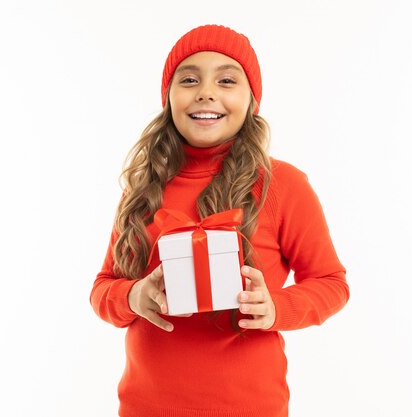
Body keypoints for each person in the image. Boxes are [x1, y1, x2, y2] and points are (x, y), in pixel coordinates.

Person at [89, 24, 350, 417]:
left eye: (226, 80)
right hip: (146, 407)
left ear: (251, 101)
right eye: (189, 79)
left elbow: (332, 284)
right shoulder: (143, 189)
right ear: (169, 98)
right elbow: (102, 289)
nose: (206, 92)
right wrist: (133, 297)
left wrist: (275, 307)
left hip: (250, 407)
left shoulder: (282, 185)